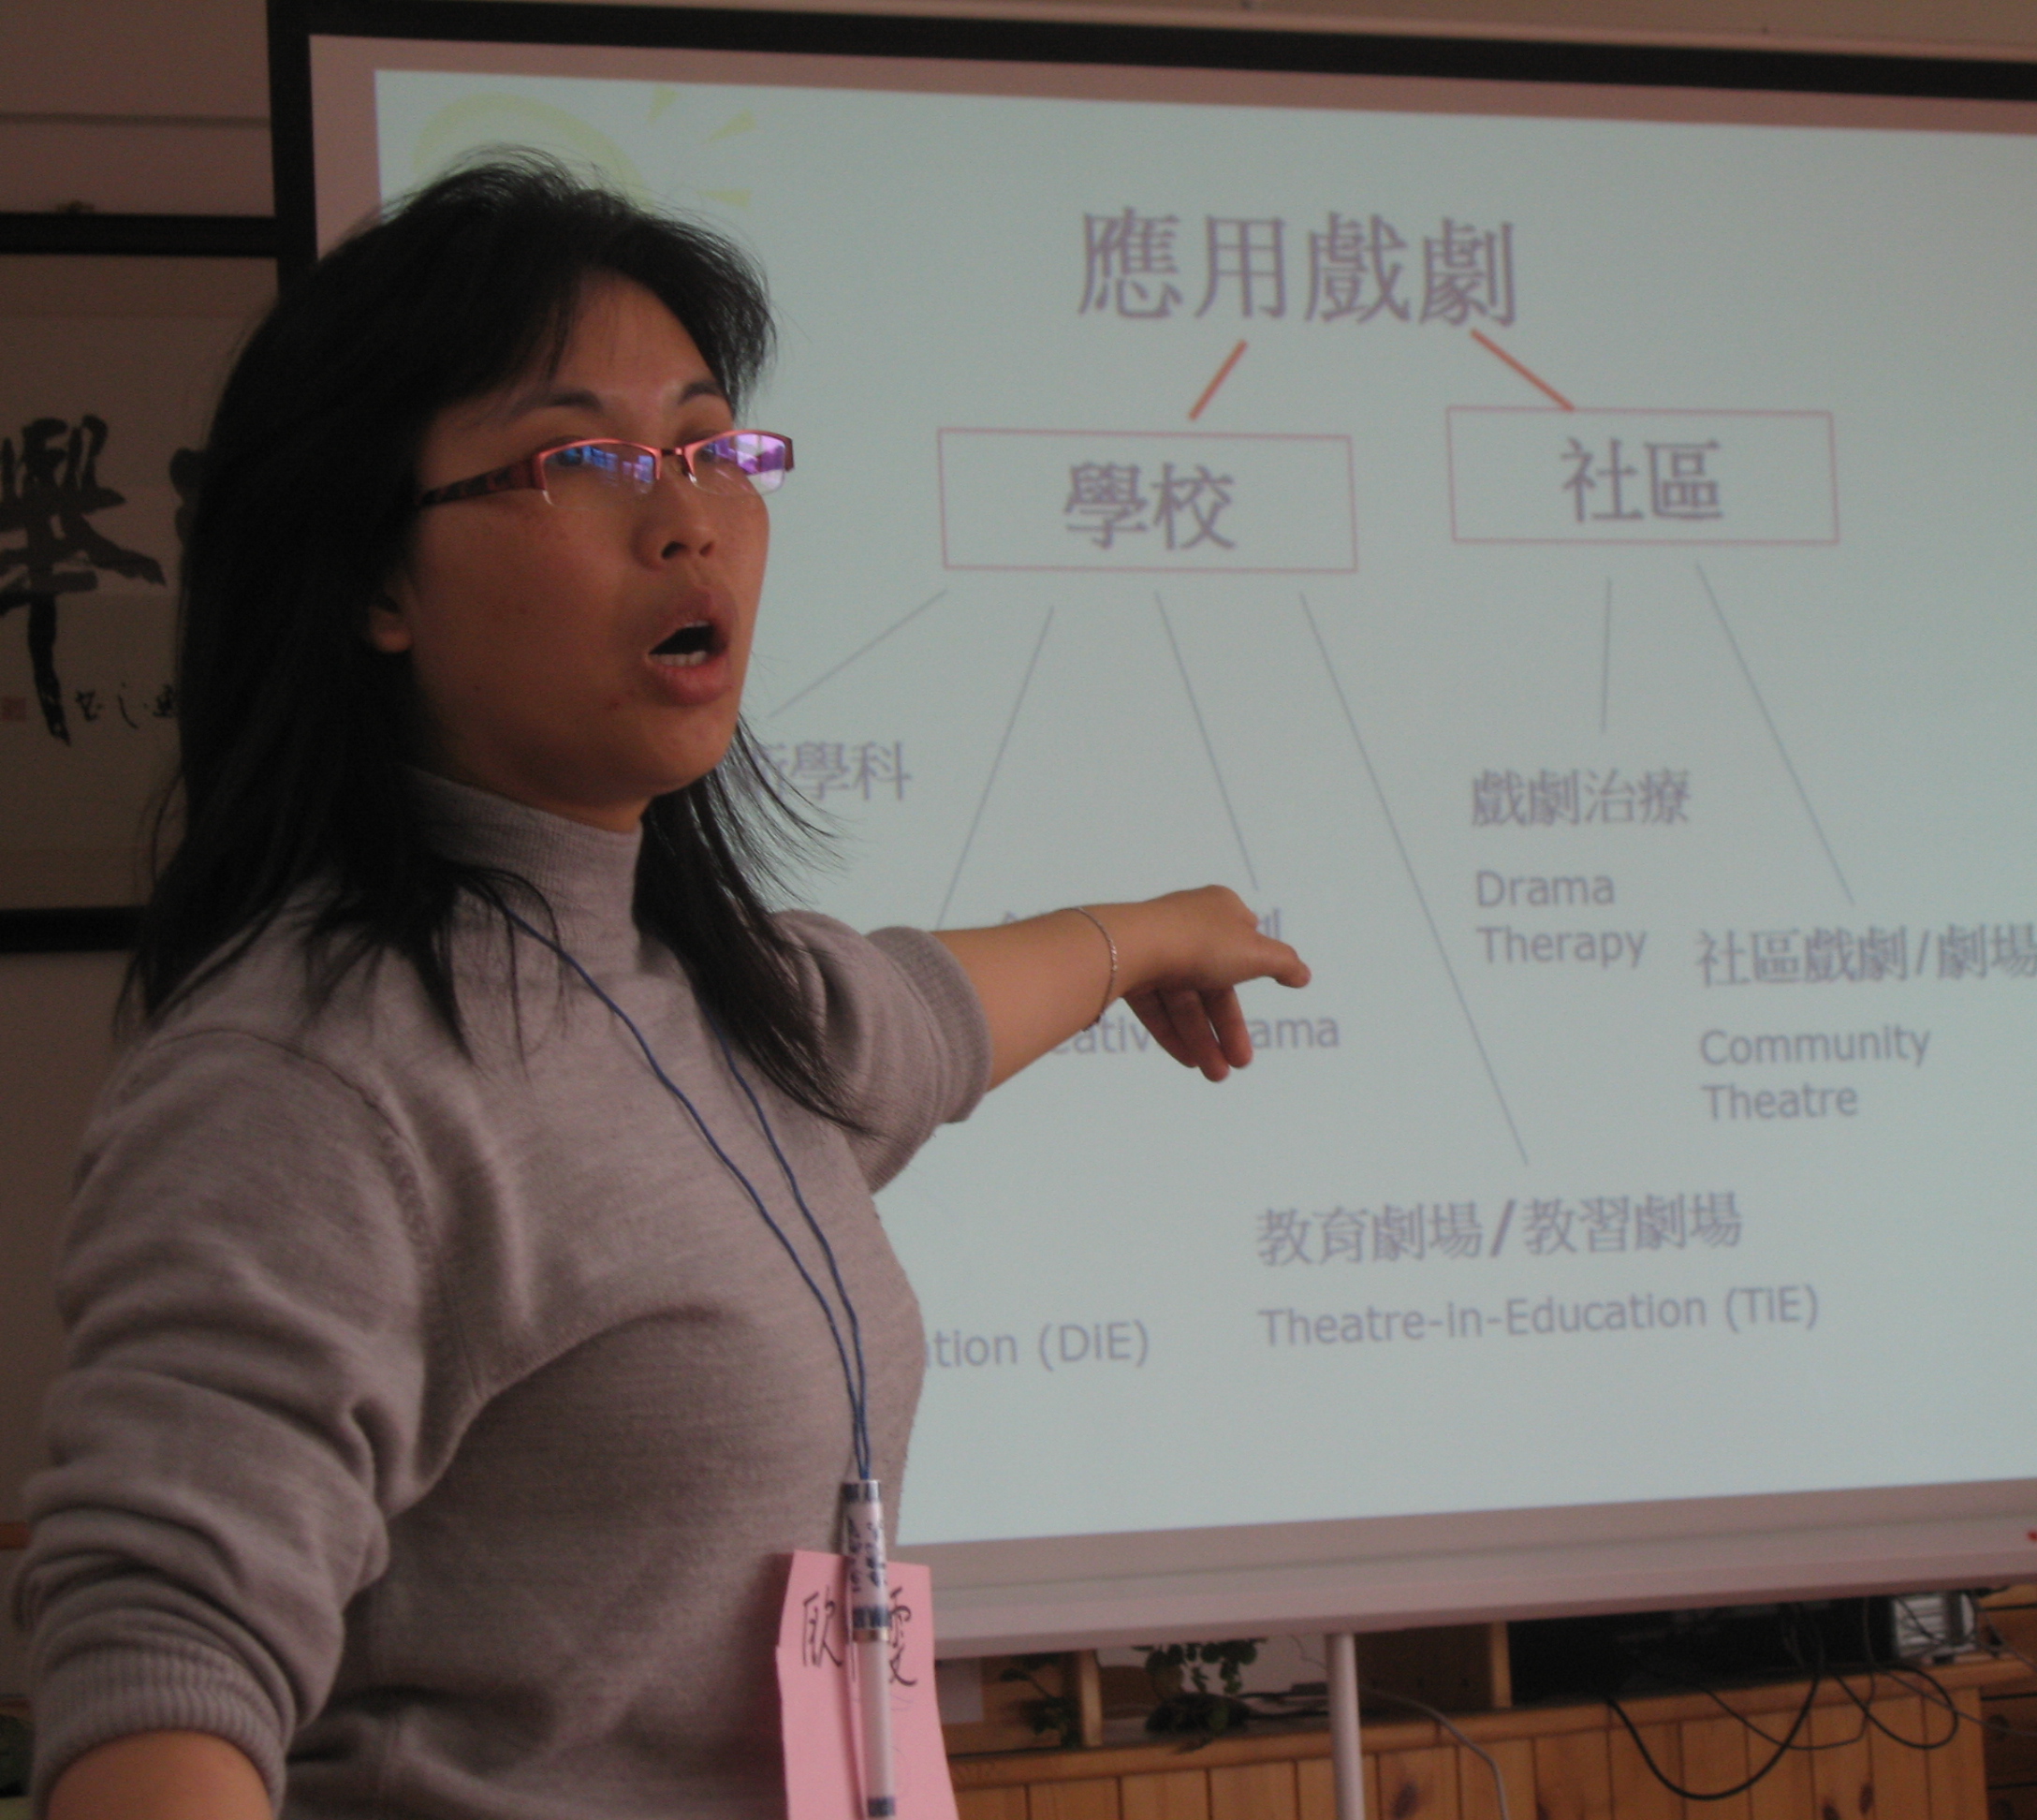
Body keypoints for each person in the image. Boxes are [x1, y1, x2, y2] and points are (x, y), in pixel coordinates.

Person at [14, 159, 1309, 1820]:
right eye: (586, 461)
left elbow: (926, 1018)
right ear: (375, 578)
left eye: (711, 451)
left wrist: (1159, 931)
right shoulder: (307, 1079)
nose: (687, 514)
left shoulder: (704, 989)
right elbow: (162, 1660)